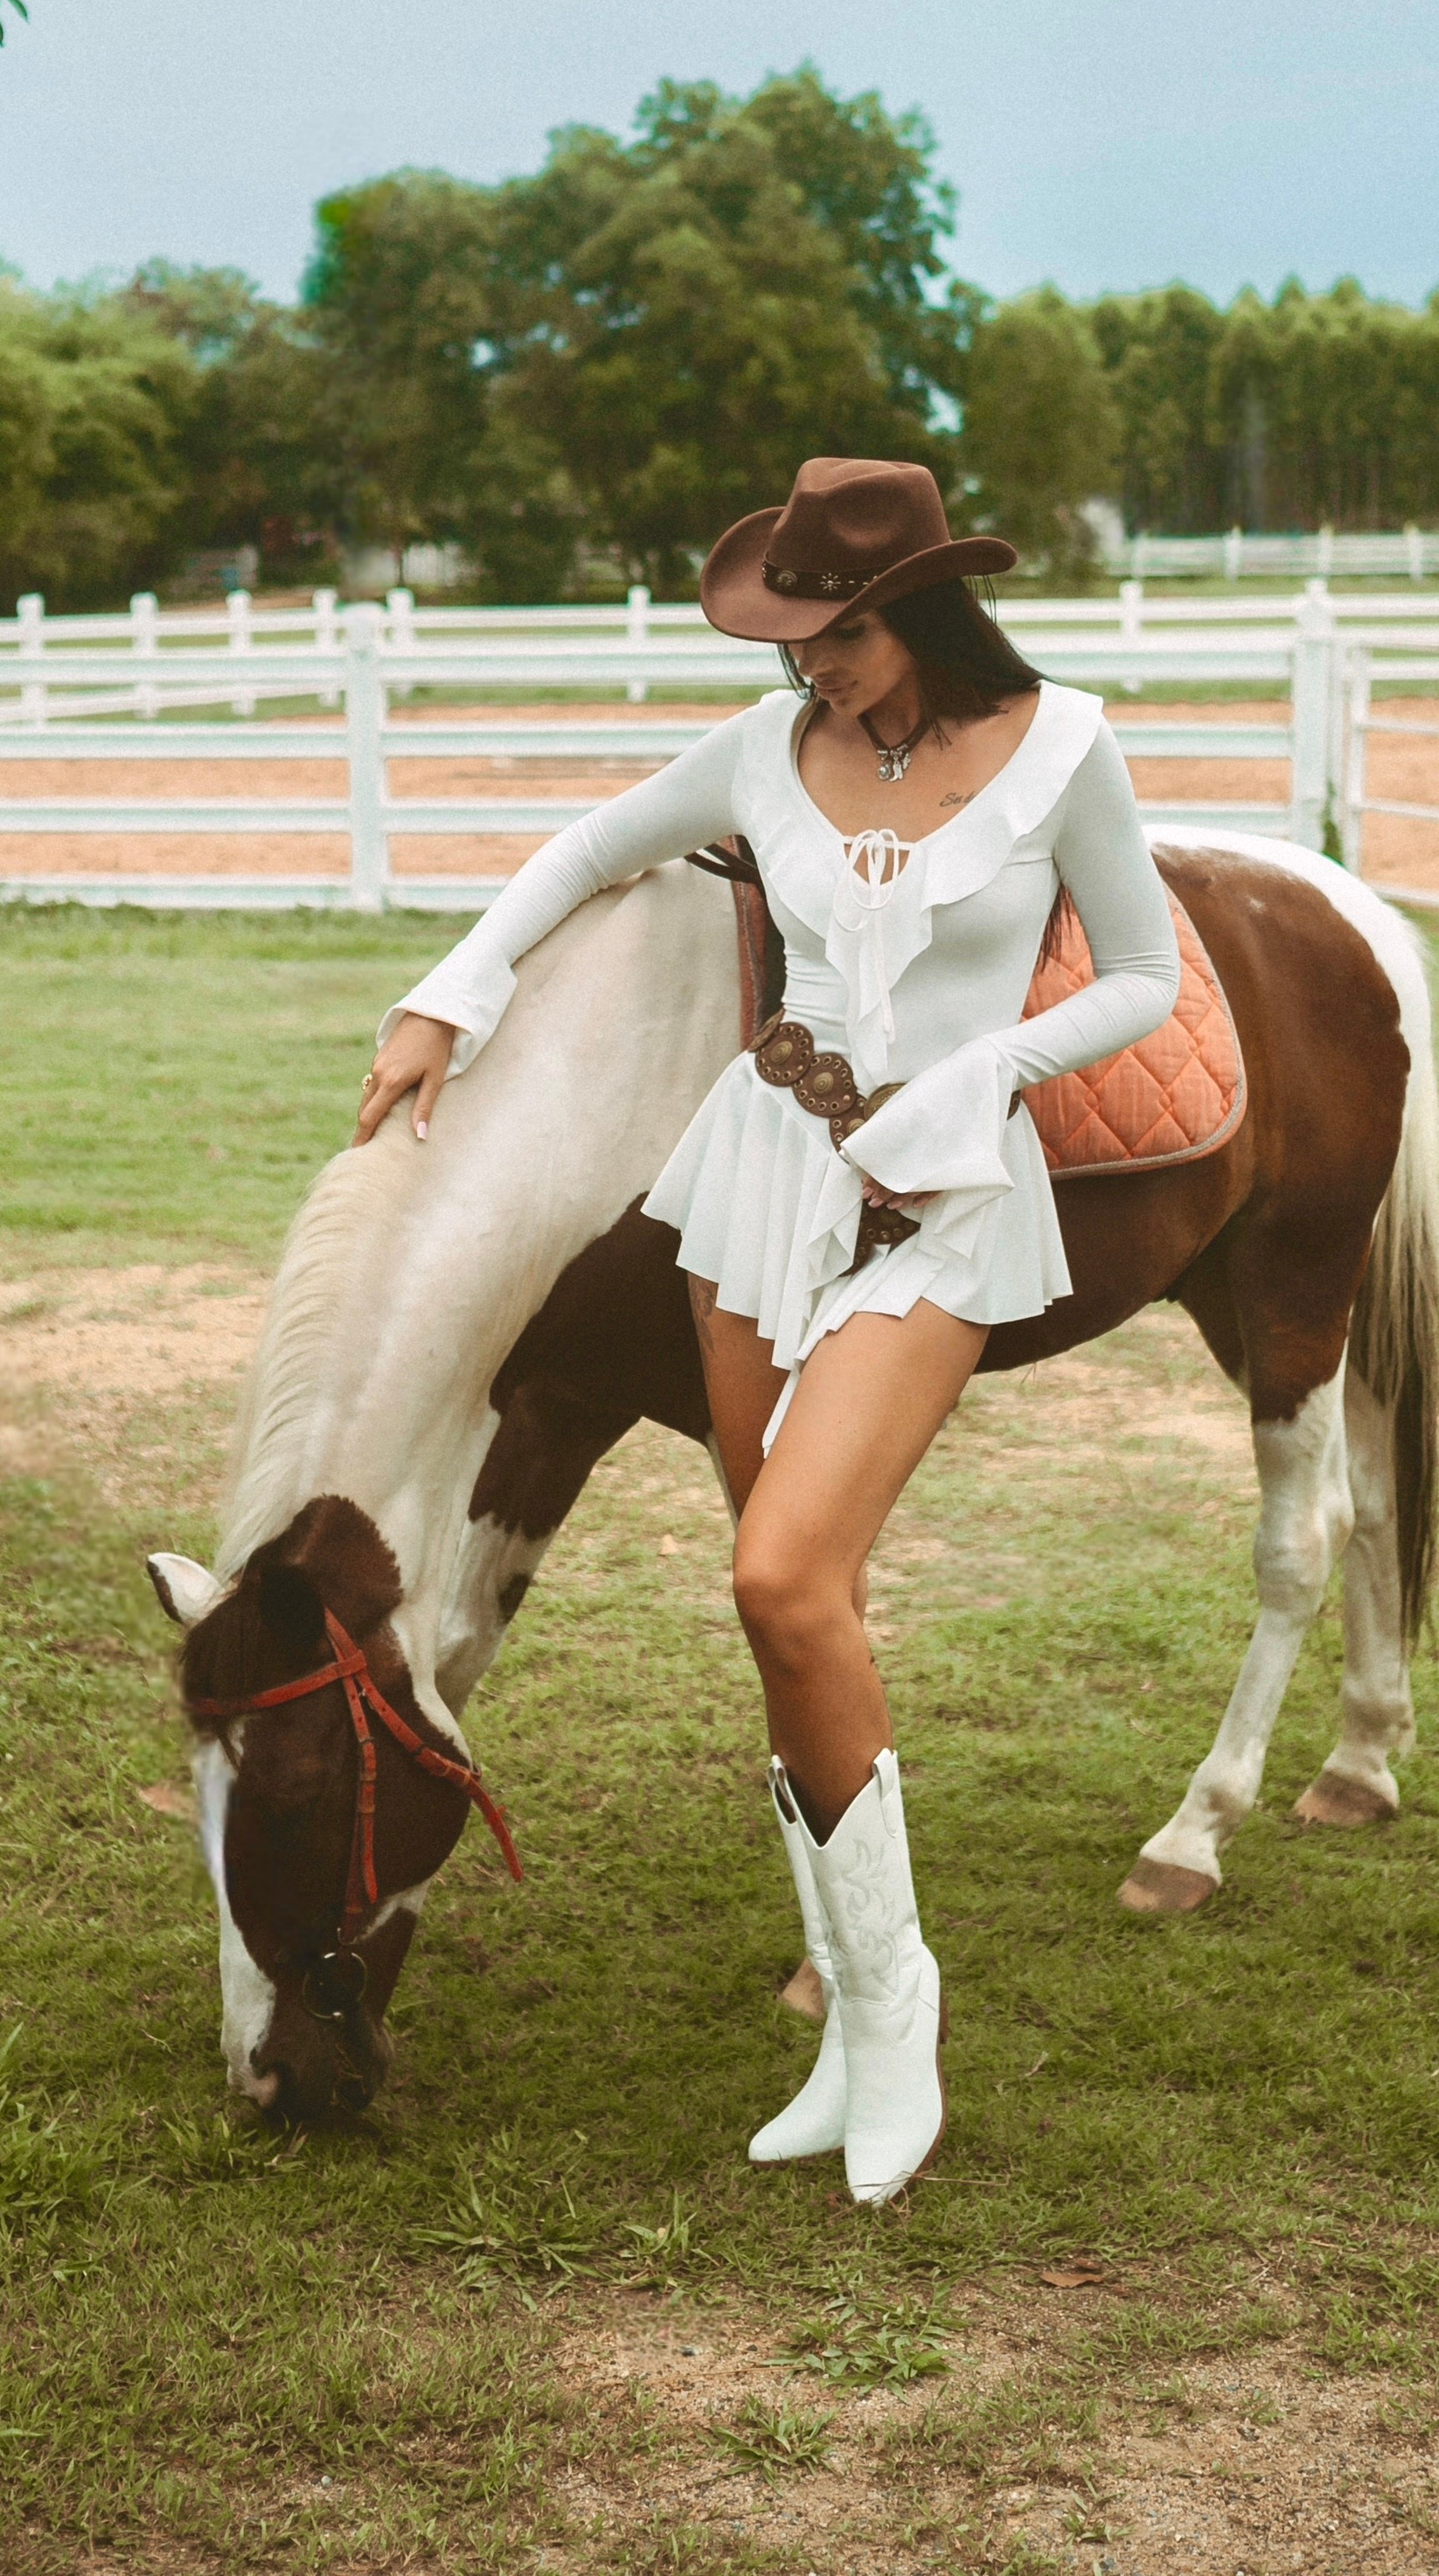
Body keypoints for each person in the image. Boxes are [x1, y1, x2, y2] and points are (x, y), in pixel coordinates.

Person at [357, 457, 1180, 2203]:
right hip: (761, 1176)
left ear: (919, 610)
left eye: (839, 637)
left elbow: (1143, 976)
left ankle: (894, 2011)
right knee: (792, 1609)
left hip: (943, 1199)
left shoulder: (1061, 745)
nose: (812, 667)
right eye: (794, 640)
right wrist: (446, 997)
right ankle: (845, 2027)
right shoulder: (761, 748)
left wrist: (985, 1070)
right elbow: (584, 851)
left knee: (782, 1576)